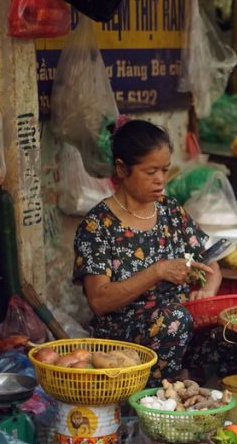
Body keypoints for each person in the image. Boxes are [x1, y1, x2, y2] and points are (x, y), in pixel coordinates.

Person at [72, 119, 220, 383]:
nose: (160, 180)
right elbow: (99, 301)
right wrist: (158, 271)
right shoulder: (97, 226)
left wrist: (206, 291)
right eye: (150, 171)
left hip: (182, 321)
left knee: (235, 335)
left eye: (165, 170)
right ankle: (156, 401)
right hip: (126, 335)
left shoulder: (171, 211)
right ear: (121, 168)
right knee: (173, 319)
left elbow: (211, 264)